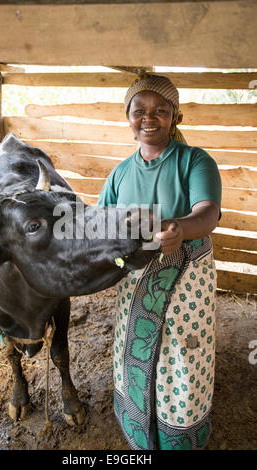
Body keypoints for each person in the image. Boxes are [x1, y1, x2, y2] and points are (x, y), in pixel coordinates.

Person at [97, 74, 222, 450]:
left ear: (175, 117)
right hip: (135, 280)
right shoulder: (119, 173)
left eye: (160, 111)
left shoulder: (195, 161)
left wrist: (181, 228)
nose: (149, 118)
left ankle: (178, 437)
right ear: (129, 117)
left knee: (183, 353)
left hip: (186, 278)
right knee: (134, 349)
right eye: (140, 111)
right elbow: (102, 223)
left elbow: (209, 212)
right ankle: (140, 427)